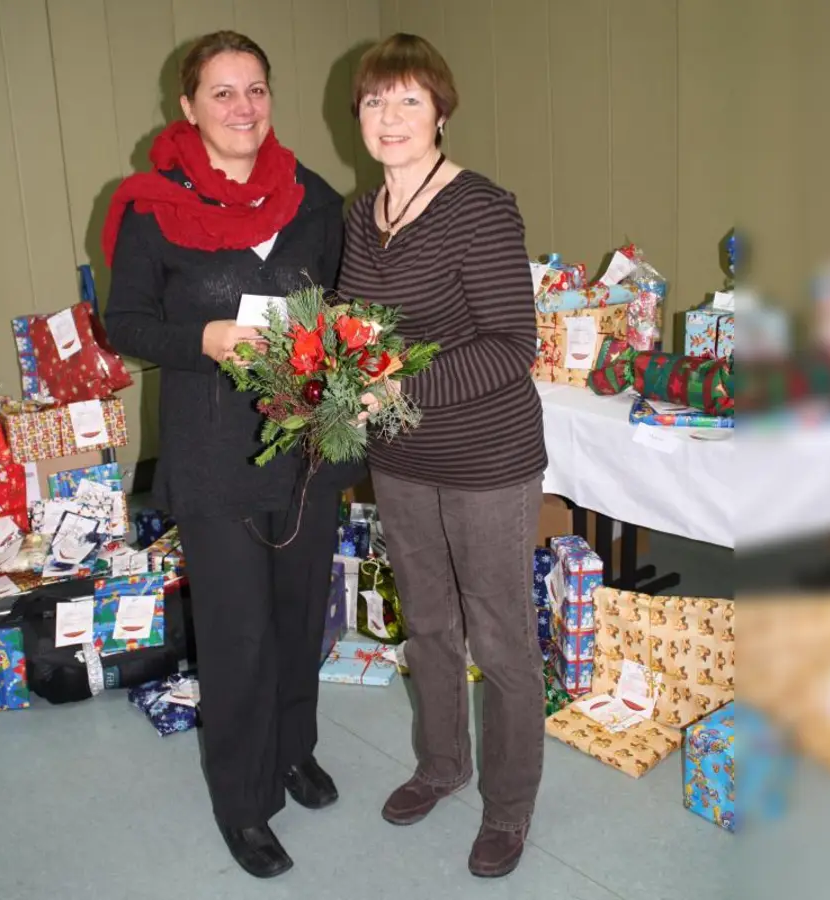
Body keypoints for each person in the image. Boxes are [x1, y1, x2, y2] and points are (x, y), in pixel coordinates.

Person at [101, 30, 359, 880]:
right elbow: (124, 323)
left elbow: (342, 311)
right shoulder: (148, 207)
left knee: (300, 615)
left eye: (256, 89)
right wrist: (202, 337)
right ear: (189, 107)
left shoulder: (313, 199)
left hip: (304, 451)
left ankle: (294, 749)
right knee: (238, 633)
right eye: (223, 92)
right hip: (214, 456)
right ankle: (242, 802)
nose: (243, 107)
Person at [338, 34, 548, 879]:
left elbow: (511, 344)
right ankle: (441, 764)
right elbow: (360, 328)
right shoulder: (364, 214)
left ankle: (509, 804)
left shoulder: (480, 208)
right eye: (375, 102)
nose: (390, 118)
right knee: (426, 624)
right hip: (400, 460)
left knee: (499, 640)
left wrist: (397, 395)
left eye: (409, 100)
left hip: (487, 457)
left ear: (441, 112)